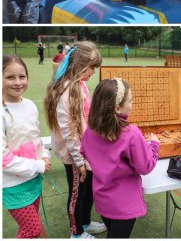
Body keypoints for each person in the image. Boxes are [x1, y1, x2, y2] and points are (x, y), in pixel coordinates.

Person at [80, 78, 159, 238]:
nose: (132, 104)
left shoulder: (90, 131)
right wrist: (154, 145)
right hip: (124, 205)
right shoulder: (131, 133)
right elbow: (145, 167)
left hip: (103, 199)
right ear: (117, 108)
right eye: (130, 101)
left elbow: (84, 152)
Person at [44, 41, 106, 238]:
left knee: (87, 189)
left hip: (84, 150)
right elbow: (69, 131)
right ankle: (77, 233)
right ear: (80, 65)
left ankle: (85, 223)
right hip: (74, 155)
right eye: (92, 68)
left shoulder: (80, 84)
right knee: (76, 194)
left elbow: (84, 117)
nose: (93, 72)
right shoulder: (68, 89)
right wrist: (79, 162)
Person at [3, 55, 51, 238]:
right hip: (13, 186)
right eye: (10, 77)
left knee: (29, 229)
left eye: (22, 76)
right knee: (32, 230)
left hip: (33, 181)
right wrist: (36, 165)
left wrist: (44, 155)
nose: (17, 82)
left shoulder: (30, 105)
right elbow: (3, 158)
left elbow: (35, 139)